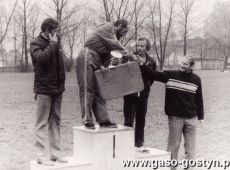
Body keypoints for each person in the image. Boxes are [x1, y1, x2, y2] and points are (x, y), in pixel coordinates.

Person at [142, 54, 204, 170]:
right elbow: (153, 74)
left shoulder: (196, 79)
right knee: (173, 148)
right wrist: (142, 64)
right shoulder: (170, 75)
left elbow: (199, 99)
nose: (181, 65)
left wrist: (200, 117)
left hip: (191, 119)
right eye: (181, 62)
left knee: (190, 149)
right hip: (175, 118)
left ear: (191, 66)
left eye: (185, 64)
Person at [76, 19, 129, 129]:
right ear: (119, 26)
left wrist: (113, 62)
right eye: (124, 32)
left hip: (98, 59)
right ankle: (87, 120)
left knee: (101, 90)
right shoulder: (108, 28)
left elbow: (111, 57)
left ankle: (103, 120)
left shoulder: (112, 38)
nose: (124, 35)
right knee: (87, 89)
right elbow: (115, 45)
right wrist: (129, 55)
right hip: (87, 54)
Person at [30, 18, 67, 166]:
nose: (56, 33)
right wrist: (52, 44)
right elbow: (41, 59)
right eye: (54, 30)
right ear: (47, 30)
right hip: (44, 89)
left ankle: (55, 154)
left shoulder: (55, 43)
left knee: (55, 122)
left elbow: (61, 65)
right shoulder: (35, 43)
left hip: (57, 89)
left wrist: (61, 85)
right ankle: (41, 156)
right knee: (41, 123)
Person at [123, 37, 156, 151]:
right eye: (138, 45)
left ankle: (139, 144)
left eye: (142, 46)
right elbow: (122, 73)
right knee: (128, 120)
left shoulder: (151, 61)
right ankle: (126, 145)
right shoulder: (129, 58)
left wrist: (144, 88)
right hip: (129, 95)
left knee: (141, 120)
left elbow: (152, 78)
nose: (140, 48)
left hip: (143, 95)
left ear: (147, 47)